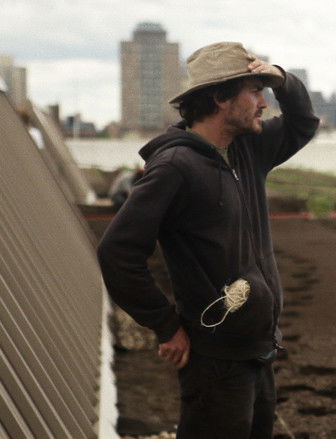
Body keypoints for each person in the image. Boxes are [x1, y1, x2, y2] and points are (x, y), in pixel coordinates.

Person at [97, 42, 319, 438]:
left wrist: (281, 78)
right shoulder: (174, 167)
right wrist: (166, 326)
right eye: (255, 92)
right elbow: (117, 252)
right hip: (215, 363)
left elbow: (303, 123)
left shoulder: (248, 150)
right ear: (219, 97)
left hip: (258, 352)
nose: (264, 104)